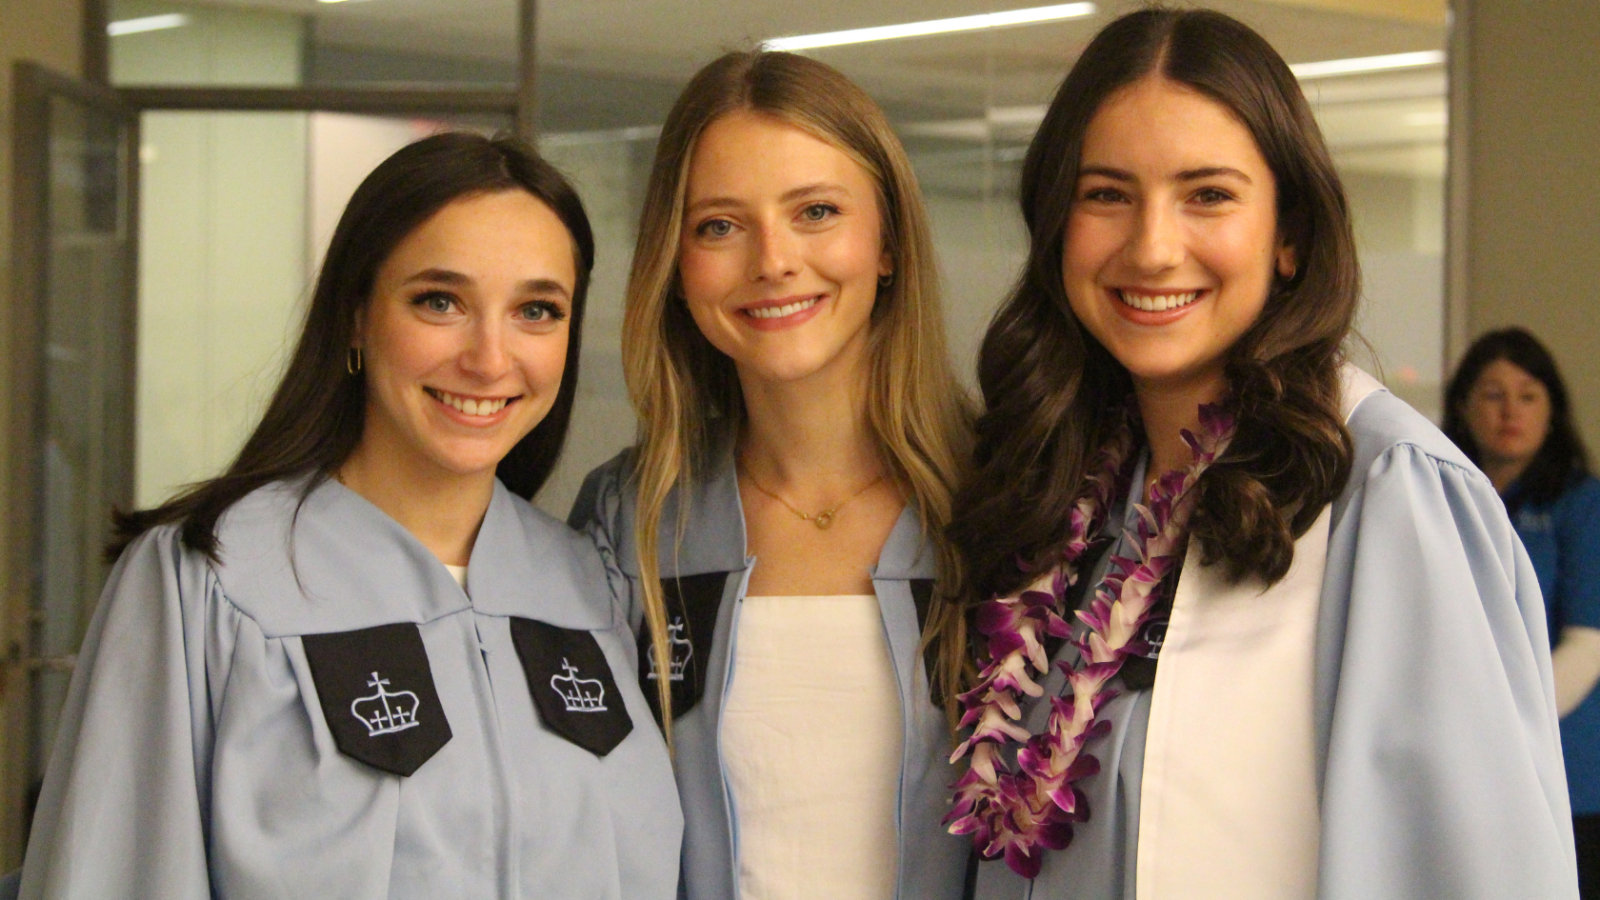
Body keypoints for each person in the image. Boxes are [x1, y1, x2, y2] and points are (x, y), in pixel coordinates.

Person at [945, 9, 1576, 899]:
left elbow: (1463, 872)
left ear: (1290, 235)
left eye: (1208, 194)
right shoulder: (1070, 490)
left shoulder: (1390, 492)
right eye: (1106, 194)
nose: (1152, 247)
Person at [18, 133, 681, 899]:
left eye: (536, 309)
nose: (490, 358)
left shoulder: (588, 586)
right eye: (440, 301)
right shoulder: (211, 583)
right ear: (357, 316)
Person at [568, 51, 973, 900]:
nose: (774, 261)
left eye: (816, 211)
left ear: (889, 240)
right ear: (676, 266)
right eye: (720, 225)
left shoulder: (1009, 499)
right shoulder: (630, 519)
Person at [1445, 326, 1600, 896]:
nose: (1510, 411)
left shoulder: (1583, 504)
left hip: (1567, 764)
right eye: (1492, 394)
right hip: (1462, 759)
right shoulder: (1439, 494)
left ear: (1553, 410)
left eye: (1529, 395)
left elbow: (1589, 646)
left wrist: (1504, 727)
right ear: (1462, 406)